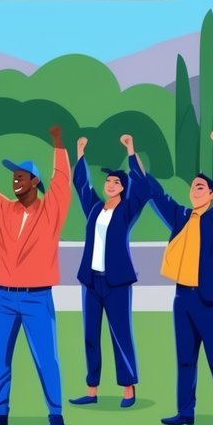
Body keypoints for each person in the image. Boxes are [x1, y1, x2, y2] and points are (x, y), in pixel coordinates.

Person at [0, 125, 72, 425]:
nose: (14, 181)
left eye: (20, 177)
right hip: (3, 297)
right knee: (0, 357)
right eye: (13, 177)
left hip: (37, 297)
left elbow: (62, 182)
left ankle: (55, 413)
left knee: (46, 358)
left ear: (35, 181)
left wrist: (57, 142)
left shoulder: (52, 210)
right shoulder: (2, 210)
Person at [136, 128, 213, 425]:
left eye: (201, 187)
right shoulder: (181, 216)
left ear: (212, 195)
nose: (196, 190)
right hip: (183, 297)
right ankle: (185, 411)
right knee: (185, 358)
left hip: (208, 298)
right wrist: (134, 157)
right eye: (193, 187)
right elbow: (156, 193)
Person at [69, 134, 148, 409]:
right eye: (108, 181)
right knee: (91, 334)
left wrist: (130, 150)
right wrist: (80, 153)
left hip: (117, 282)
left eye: (116, 182)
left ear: (123, 188)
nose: (110, 185)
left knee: (120, 333)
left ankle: (128, 390)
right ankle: (92, 390)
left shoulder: (128, 209)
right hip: (92, 281)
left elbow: (144, 187)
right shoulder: (94, 208)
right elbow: (81, 184)